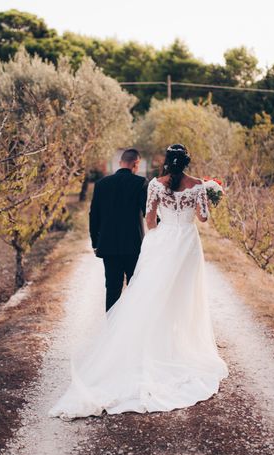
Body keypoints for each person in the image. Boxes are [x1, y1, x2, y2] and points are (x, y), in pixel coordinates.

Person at [49, 144, 228, 419]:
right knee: (185, 294)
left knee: (146, 292)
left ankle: (125, 336)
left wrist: (163, 234)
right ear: (186, 162)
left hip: (165, 240)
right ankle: (177, 344)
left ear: (167, 161)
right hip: (187, 243)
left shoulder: (155, 183)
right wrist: (211, 195)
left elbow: (150, 218)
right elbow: (203, 218)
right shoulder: (198, 186)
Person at [89, 148, 148, 311]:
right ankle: (132, 327)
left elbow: (94, 216)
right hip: (133, 246)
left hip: (109, 246)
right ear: (136, 164)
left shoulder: (101, 184)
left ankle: (111, 331)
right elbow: (147, 212)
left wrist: (95, 242)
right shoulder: (141, 183)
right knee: (134, 288)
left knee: (112, 290)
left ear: (120, 162)